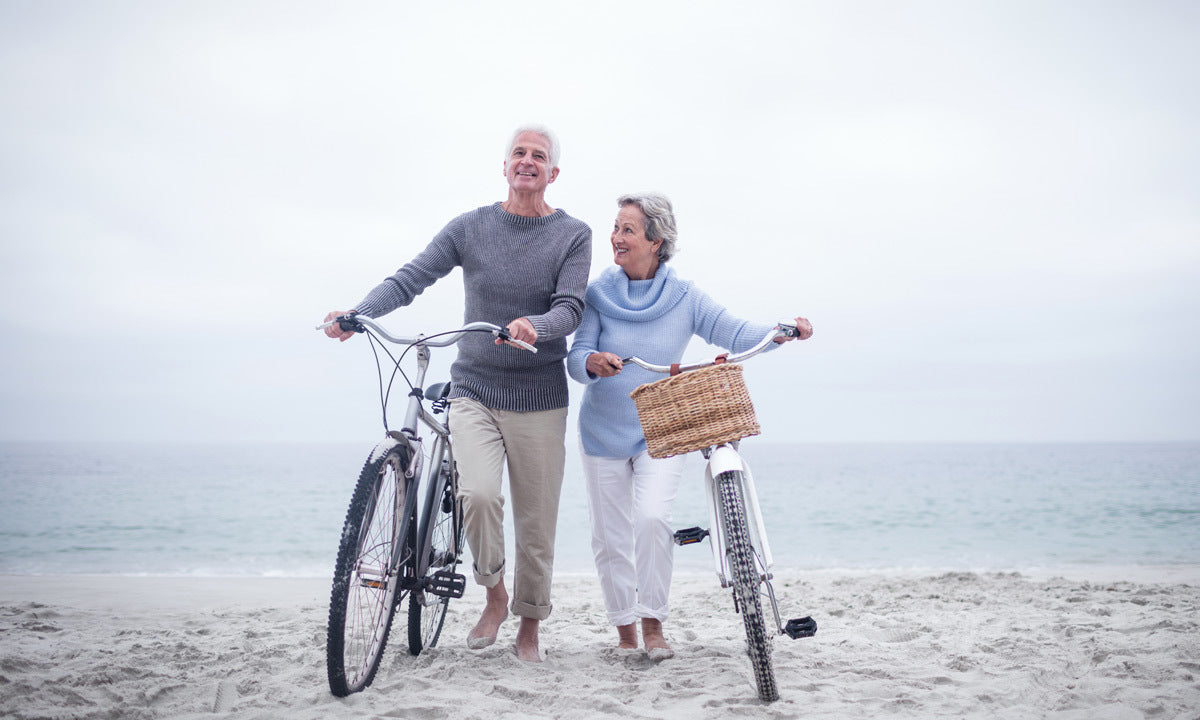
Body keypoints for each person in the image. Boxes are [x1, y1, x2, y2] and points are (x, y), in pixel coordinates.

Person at [324, 125, 592, 662]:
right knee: (477, 496)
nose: (527, 161)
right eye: (519, 152)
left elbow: (571, 308)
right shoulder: (470, 227)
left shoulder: (573, 235)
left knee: (536, 525)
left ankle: (529, 629)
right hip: (475, 388)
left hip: (539, 398)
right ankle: (493, 595)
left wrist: (535, 326)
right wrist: (359, 313)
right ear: (504, 165)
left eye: (539, 156)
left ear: (553, 173)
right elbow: (412, 277)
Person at [566, 193, 812, 660]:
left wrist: (781, 332)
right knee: (609, 535)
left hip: (662, 431)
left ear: (656, 241)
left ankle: (653, 622)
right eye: (615, 228)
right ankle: (624, 629)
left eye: (628, 230)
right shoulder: (597, 295)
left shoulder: (684, 296)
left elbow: (735, 332)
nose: (616, 237)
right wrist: (594, 363)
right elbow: (577, 357)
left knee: (654, 518)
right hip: (601, 431)